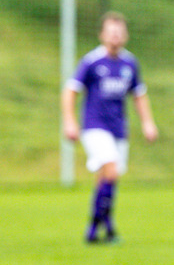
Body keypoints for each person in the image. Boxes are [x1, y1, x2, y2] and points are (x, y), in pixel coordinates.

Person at [61, 12, 158, 243]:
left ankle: (97, 227)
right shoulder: (91, 61)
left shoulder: (129, 63)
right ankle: (103, 226)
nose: (115, 36)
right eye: (111, 32)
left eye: (119, 32)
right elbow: (70, 91)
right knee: (111, 171)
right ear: (102, 35)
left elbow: (139, 95)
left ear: (125, 35)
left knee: (106, 177)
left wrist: (147, 123)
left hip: (118, 129)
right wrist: (69, 121)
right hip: (94, 126)